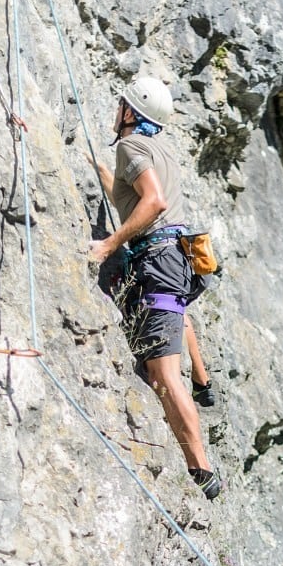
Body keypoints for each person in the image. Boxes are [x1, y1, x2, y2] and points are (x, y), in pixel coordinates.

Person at [88, 76, 219, 500]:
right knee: (173, 310)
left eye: (121, 104)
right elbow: (132, 195)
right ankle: (203, 381)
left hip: (159, 259)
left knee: (161, 371)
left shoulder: (131, 145)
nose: (116, 109)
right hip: (181, 259)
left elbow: (153, 203)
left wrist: (108, 244)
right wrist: (102, 171)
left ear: (130, 113)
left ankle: (201, 468)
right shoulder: (159, 149)